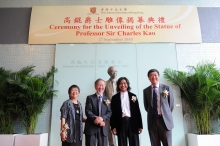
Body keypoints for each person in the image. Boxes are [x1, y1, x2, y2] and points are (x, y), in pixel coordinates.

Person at [143, 69, 174, 146]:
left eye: (155, 75)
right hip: (152, 121)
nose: (153, 77)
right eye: (151, 75)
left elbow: (171, 105)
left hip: (165, 122)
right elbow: (147, 107)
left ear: (158, 77)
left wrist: (164, 113)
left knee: (167, 144)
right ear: (148, 78)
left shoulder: (167, 88)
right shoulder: (146, 91)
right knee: (155, 144)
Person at [110, 77, 143, 146]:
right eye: (121, 83)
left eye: (124, 83)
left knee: (135, 143)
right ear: (118, 85)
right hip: (120, 123)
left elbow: (137, 111)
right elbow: (112, 113)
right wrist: (113, 126)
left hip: (132, 122)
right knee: (122, 143)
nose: (123, 85)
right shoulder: (115, 98)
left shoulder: (133, 96)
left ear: (127, 84)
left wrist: (140, 125)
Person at [84, 78, 112, 146]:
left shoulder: (107, 99)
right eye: (99, 85)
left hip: (103, 128)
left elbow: (109, 112)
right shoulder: (90, 98)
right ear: (95, 87)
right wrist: (96, 119)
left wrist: (102, 118)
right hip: (91, 127)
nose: (101, 87)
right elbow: (88, 111)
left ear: (105, 87)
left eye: (102, 85)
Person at [104, 66, 117, 146]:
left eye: (116, 71)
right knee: (110, 129)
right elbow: (104, 97)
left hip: (120, 110)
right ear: (109, 73)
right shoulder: (105, 83)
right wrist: (108, 104)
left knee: (120, 128)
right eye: (112, 71)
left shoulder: (120, 82)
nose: (114, 73)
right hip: (108, 110)